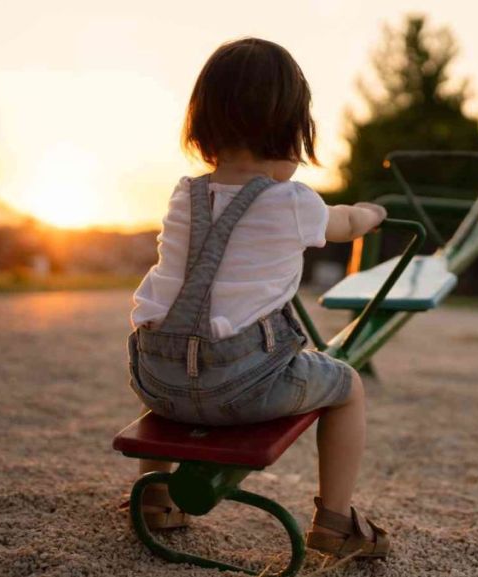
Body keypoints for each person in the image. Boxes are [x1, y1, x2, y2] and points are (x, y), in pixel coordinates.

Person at [126, 37, 390, 559]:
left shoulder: (184, 194)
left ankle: (157, 496)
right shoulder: (292, 202)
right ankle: (336, 526)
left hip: (156, 381)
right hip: (243, 387)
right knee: (348, 386)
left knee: (175, 331)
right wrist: (370, 214)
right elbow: (345, 224)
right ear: (290, 132)